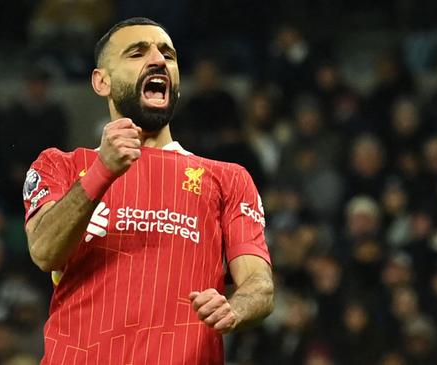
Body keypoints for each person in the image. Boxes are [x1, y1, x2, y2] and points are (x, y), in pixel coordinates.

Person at [23, 17, 274, 364]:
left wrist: (234, 309)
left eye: (168, 55)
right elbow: (43, 250)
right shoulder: (60, 165)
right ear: (101, 82)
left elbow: (259, 285)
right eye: (137, 53)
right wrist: (102, 173)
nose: (158, 60)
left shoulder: (228, 178)